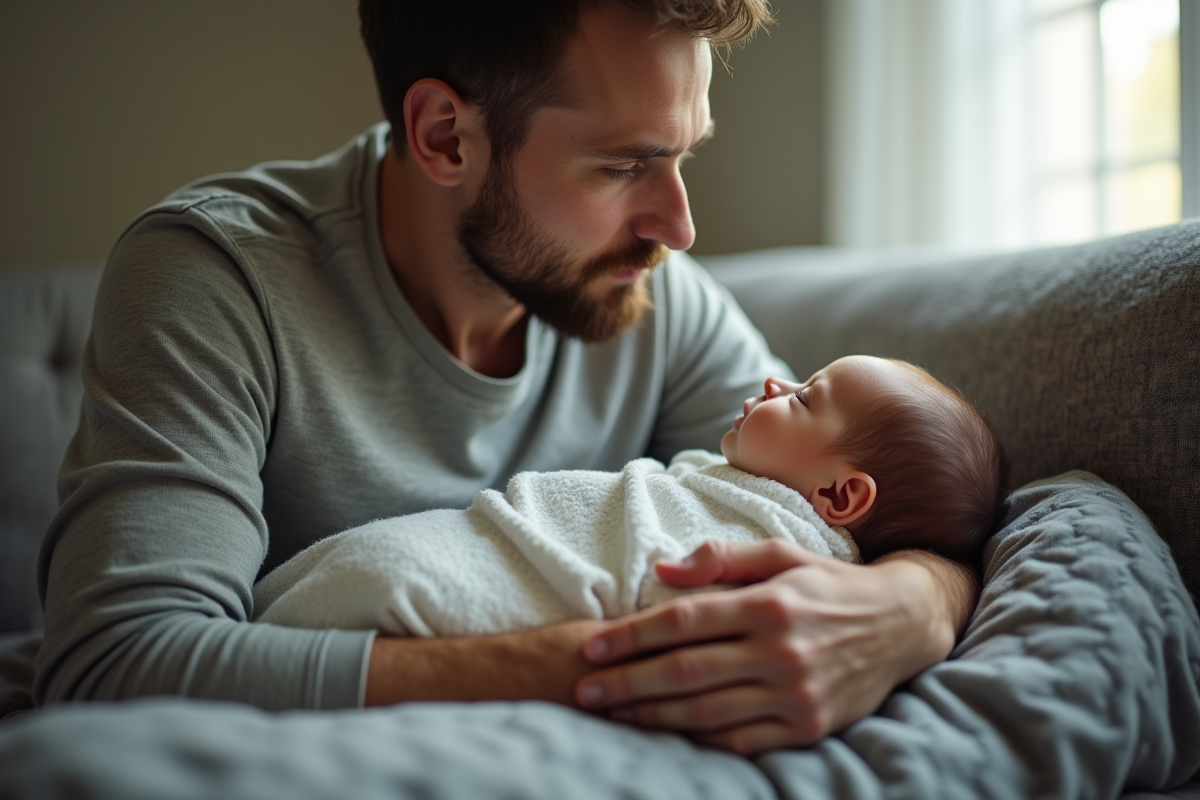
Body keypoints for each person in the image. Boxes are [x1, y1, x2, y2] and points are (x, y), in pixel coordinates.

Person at [35, 0, 980, 756]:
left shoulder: (660, 300)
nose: (679, 227)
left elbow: (857, 493)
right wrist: (626, 664)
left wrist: (908, 609)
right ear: (446, 135)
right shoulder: (215, 276)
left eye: (685, 156)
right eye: (623, 166)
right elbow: (115, 662)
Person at [251, 355, 1010, 639]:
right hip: (464, 543)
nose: (775, 383)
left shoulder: (783, 550)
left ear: (840, 495)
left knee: (382, 578)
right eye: (622, 162)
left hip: (439, 583)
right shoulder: (743, 479)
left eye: (805, 396)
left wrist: (919, 599)